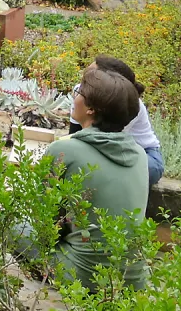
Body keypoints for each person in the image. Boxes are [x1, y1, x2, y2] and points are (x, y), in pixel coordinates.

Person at [43, 68, 150, 291]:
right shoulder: (140, 154)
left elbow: (45, 227)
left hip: (82, 276)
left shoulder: (63, 150)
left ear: (91, 108)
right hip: (133, 280)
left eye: (79, 92)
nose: (74, 96)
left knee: (15, 224)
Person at [68, 56, 164, 186]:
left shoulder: (128, 104)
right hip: (109, 150)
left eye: (91, 74)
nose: (85, 78)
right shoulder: (81, 93)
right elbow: (74, 135)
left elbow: (111, 144)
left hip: (140, 154)